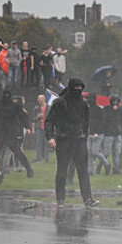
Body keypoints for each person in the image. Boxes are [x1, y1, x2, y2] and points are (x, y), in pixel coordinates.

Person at [45, 78, 98, 207]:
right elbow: (49, 120)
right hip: (63, 139)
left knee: (83, 171)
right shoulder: (60, 102)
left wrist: (85, 136)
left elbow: (86, 121)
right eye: (76, 87)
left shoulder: (83, 104)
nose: (78, 90)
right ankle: (60, 199)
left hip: (79, 140)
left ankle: (88, 199)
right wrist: (50, 137)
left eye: (81, 88)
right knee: (62, 170)